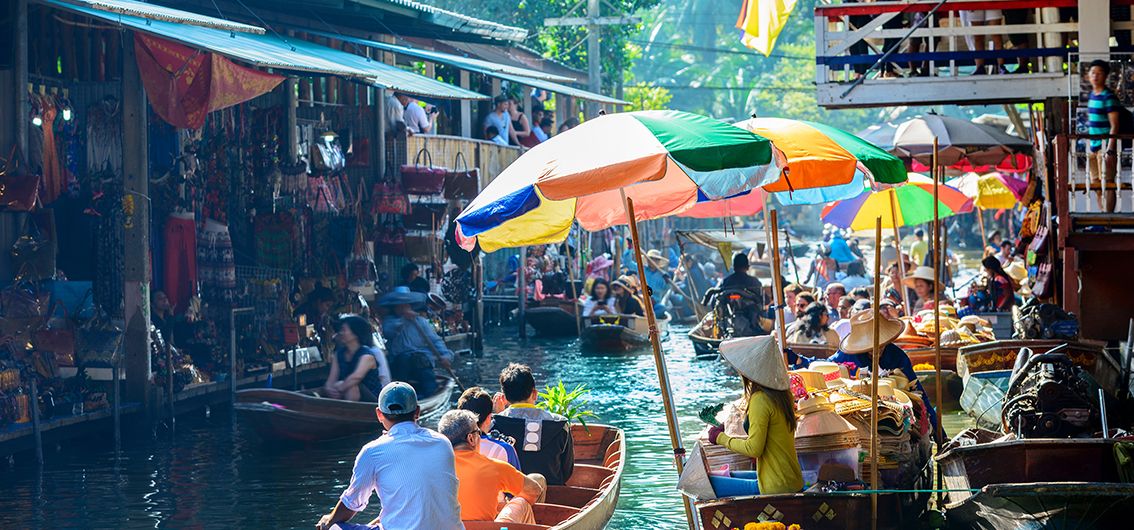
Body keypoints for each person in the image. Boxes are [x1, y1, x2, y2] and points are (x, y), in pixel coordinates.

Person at [316, 383, 461, 530]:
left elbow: (351, 503)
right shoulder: (443, 442)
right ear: (417, 411)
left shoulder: (372, 451)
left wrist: (328, 521)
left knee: (334, 527)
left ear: (379, 414)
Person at [786, 311, 938, 433]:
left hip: (894, 411)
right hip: (860, 410)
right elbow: (826, 366)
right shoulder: (848, 354)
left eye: (880, 345)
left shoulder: (898, 356)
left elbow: (919, 391)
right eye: (871, 346)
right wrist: (799, 360)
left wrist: (940, 435)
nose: (877, 349)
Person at [707, 336, 804, 495]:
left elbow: (754, 449)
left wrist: (720, 438)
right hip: (790, 479)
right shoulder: (782, 395)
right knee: (726, 476)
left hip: (776, 486)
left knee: (708, 482)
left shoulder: (761, 399)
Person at [440, 410, 547, 524]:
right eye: (479, 433)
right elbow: (534, 491)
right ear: (471, 438)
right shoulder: (494, 467)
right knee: (523, 501)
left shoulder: (432, 469)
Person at [491, 363, 575, 485]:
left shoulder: (495, 424)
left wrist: (499, 414)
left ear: (504, 398)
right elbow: (567, 470)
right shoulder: (560, 424)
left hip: (511, 494)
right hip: (553, 491)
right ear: (535, 393)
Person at [378, 288, 454, 397]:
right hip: (400, 363)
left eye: (405, 305)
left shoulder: (421, 322)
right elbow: (389, 332)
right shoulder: (389, 322)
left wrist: (446, 356)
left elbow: (435, 341)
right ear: (394, 307)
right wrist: (404, 319)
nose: (402, 308)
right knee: (404, 360)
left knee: (425, 371)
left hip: (421, 362)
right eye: (399, 305)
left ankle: (428, 396)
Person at [323, 315, 391, 402]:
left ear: (355, 333)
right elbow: (331, 379)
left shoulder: (367, 355)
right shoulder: (339, 354)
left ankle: (351, 414)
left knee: (351, 386)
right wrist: (329, 389)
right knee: (341, 385)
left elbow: (356, 377)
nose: (340, 333)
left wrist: (338, 388)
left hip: (371, 399)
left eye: (344, 330)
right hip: (346, 393)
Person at [1086, 59, 1124, 213]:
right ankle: (1102, 213)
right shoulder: (1091, 96)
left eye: (1099, 73)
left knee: (1108, 182)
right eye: (1093, 73)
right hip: (1093, 147)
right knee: (1095, 183)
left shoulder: (1108, 97)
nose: (1095, 76)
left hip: (1105, 147)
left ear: (1105, 76)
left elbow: (1115, 125)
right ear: (1088, 75)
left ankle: (1108, 216)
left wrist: (1110, 149)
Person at [457, 387, 521, 469]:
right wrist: (499, 414)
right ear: (488, 418)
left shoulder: (450, 448)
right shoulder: (504, 449)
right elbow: (517, 480)